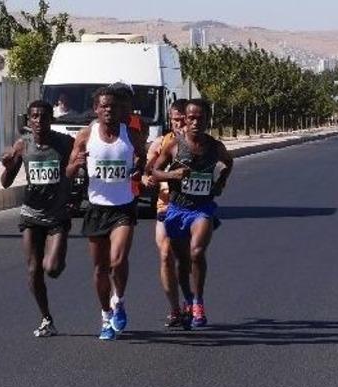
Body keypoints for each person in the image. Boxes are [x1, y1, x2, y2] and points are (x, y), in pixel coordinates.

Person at [68, 86, 147, 341]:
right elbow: (68, 170)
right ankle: (105, 316)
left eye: (113, 106)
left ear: (119, 109)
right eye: (103, 106)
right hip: (96, 208)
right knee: (101, 268)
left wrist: (138, 169)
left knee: (117, 260)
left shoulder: (131, 135)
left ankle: (119, 301)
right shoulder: (85, 135)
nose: (108, 110)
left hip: (123, 207)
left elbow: (142, 160)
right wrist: (76, 164)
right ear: (96, 109)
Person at [151, 99, 233, 329]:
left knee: (197, 252)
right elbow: (155, 172)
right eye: (191, 118)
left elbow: (229, 162)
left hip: (202, 208)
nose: (196, 122)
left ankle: (198, 302)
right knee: (182, 262)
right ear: (185, 120)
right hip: (177, 209)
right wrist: (173, 176)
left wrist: (221, 182)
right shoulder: (175, 145)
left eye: (201, 118)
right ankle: (188, 299)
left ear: (208, 120)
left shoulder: (215, 147)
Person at [0, 100, 75, 337]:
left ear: (51, 119)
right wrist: (9, 165)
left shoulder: (64, 143)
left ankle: (57, 257)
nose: (39, 122)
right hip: (31, 214)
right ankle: (46, 318)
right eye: (34, 117)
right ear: (29, 120)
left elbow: (77, 171)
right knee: (33, 270)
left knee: (51, 269)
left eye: (44, 117)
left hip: (57, 215)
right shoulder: (23, 145)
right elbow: (5, 182)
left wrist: (74, 194)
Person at [143, 99, 189, 328]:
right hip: (165, 207)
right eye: (174, 120)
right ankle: (174, 309)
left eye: (182, 120)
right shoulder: (161, 144)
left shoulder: (199, 145)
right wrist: (148, 179)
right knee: (165, 255)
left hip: (191, 209)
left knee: (187, 260)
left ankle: (191, 300)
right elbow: (145, 172)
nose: (178, 124)